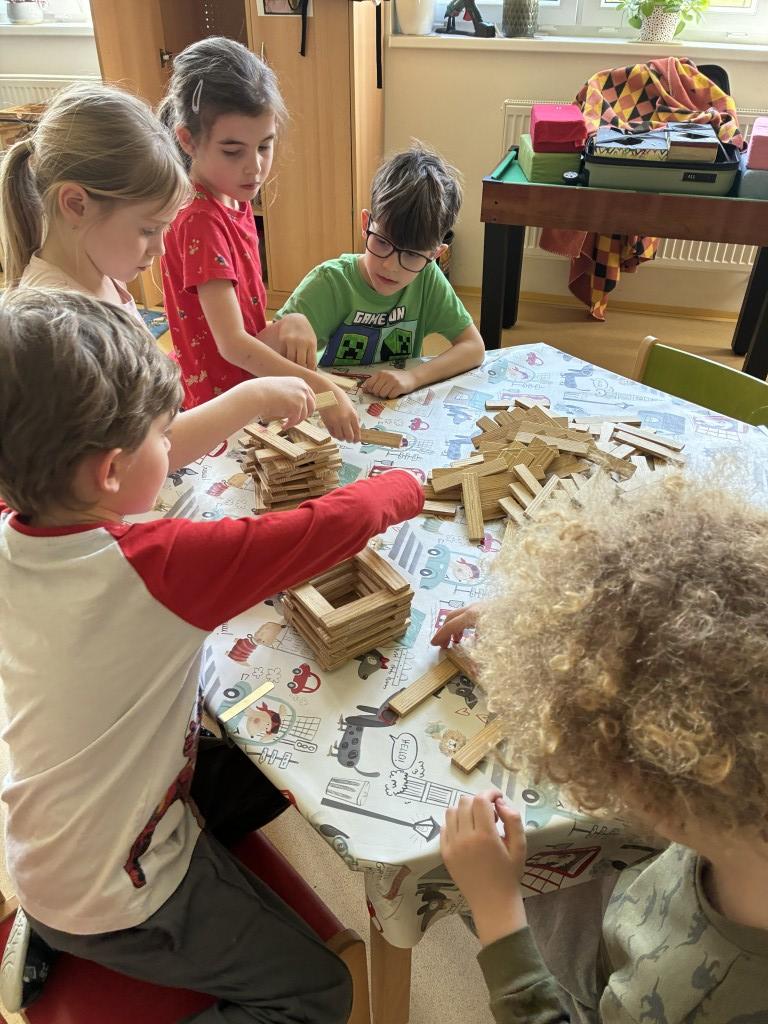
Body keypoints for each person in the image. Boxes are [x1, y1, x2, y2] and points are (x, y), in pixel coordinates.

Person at [0, 289, 424, 1021]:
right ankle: (71, 932)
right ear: (109, 472)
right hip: (116, 889)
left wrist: (249, 399)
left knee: (274, 768)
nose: (173, 448)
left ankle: (52, 924)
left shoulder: (17, 531)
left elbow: (149, 470)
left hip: (52, 840)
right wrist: (406, 486)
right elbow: (320, 529)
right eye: (163, 436)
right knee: (322, 993)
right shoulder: (153, 567)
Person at [433, 472, 768, 1023]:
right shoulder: (735, 800)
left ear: (656, 797)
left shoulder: (687, 1002)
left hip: (613, 987)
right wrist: (583, 637)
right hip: (642, 908)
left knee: (472, 878)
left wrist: (497, 912)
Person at [0, 80, 318, 479]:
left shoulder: (99, 279)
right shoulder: (66, 327)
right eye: (148, 229)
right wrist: (254, 396)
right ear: (76, 205)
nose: (161, 249)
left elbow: (143, 408)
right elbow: (143, 455)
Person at [158, 36, 360, 442]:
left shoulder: (233, 197)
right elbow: (232, 345)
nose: (254, 167)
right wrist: (324, 389)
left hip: (245, 384)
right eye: (233, 151)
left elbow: (242, 328)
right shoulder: (200, 221)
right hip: (223, 406)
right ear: (188, 140)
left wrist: (286, 324)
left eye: (265, 146)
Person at [274, 143, 486, 400]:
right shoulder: (330, 282)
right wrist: (289, 326)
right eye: (383, 242)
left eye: (411, 255)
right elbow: (265, 355)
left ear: (435, 254)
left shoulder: (427, 278)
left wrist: (413, 377)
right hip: (332, 403)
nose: (390, 266)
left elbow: (473, 347)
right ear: (366, 224)